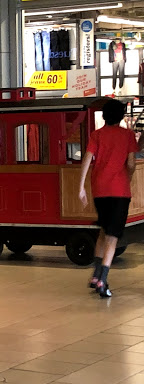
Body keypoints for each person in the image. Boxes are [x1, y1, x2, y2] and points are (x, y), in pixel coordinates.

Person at [79, 99, 137, 298]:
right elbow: (130, 163)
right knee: (113, 237)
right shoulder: (127, 135)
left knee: (104, 232)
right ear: (121, 116)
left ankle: (95, 274)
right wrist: (128, 177)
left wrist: (81, 187)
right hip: (119, 191)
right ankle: (102, 280)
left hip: (99, 190)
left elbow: (87, 158)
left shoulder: (96, 135)